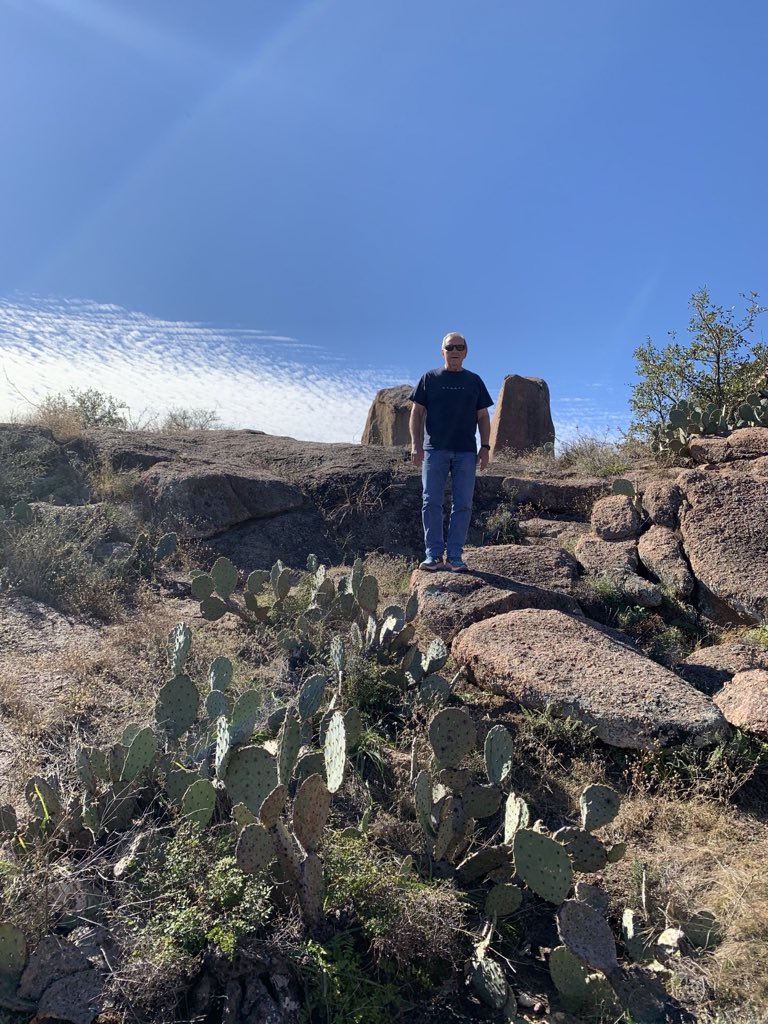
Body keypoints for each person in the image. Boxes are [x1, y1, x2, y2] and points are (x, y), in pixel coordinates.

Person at [409, 332, 493, 572]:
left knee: (463, 504)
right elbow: (416, 413)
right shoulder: (430, 378)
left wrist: (485, 447)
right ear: (442, 351)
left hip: (466, 452)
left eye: (460, 347)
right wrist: (415, 445)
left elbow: (483, 416)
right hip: (434, 451)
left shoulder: (474, 381)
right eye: (450, 347)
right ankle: (433, 555)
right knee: (431, 502)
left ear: (466, 352)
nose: (455, 351)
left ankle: (455, 556)